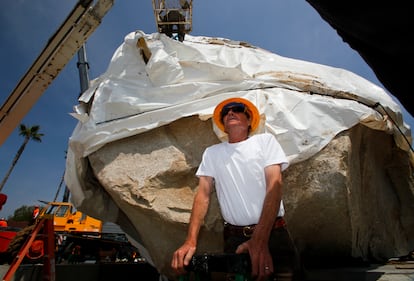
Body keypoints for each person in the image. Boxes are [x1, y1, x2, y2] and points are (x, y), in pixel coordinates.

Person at [171, 97, 301, 281]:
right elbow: (203, 196)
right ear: (223, 124)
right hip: (234, 239)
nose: (230, 112)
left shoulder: (265, 142)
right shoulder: (212, 153)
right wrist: (190, 241)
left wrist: (260, 240)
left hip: (273, 236)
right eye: (225, 112)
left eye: (237, 109)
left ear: (249, 121)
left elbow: (275, 186)